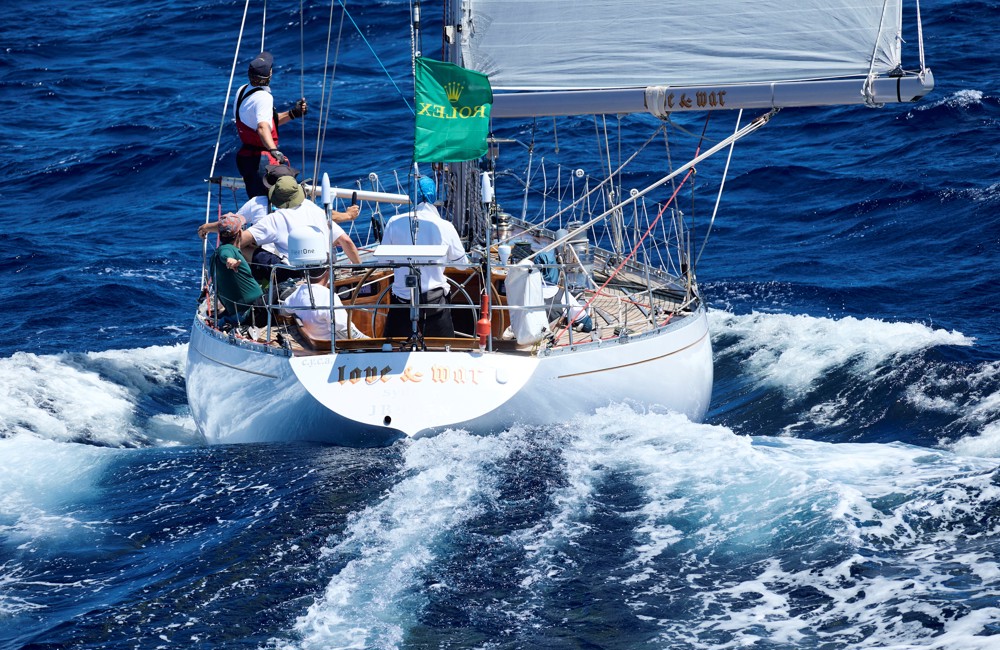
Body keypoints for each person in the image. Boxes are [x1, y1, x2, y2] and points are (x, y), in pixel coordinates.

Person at [380, 176, 469, 338]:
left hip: (402, 304)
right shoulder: (445, 226)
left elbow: (383, 261)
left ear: (412, 196)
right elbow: (463, 266)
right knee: (444, 351)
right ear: (433, 196)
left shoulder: (393, 222)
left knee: (392, 350)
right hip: (435, 304)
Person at [240, 176, 361, 284]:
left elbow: (239, 241)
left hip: (292, 275)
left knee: (245, 248)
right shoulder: (316, 210)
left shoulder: (275, 218)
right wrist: (359, 269)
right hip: (323, 274)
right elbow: (346, 241)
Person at [234, 51, 308, 199]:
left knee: (259, 202)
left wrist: (293, 113)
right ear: (270, 74)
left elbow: (266, 123)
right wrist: (274, 151)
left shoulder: (242, 90)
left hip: (247, 158)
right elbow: (262, 127)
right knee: (277, 201)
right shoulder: (264, 98)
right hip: (262, 162)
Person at [208, 214, 268, 332]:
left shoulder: (217, 254)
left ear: (220, 236)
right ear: (240, 233)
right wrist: (230, 260)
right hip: (252, 312)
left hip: (240, 312)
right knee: (284, 289)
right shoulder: (228, 250)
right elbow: (225, 254)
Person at [281, 268, 367, 342]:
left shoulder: (298, 293)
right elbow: (345, 331)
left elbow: (284, 311)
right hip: (336, 347)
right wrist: (367, 340)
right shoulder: (328, 296)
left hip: (312, 344)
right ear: (328, 271)